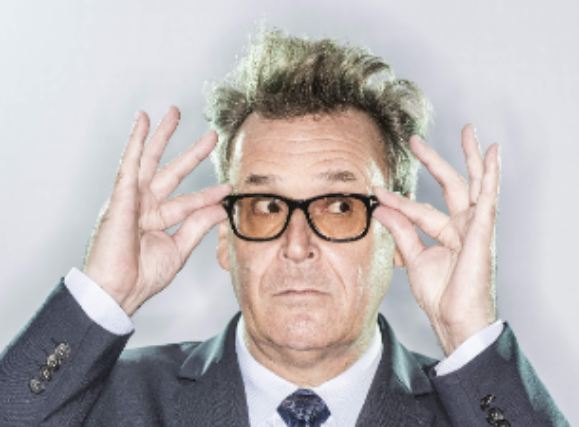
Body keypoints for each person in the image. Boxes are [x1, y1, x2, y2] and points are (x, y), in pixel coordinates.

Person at [0, 28, 568, 426]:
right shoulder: (103, 398)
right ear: (226, 237)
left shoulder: (479, 408)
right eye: (267, 206)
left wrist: (467, 334)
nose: (298, 246)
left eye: (339, 206)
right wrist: (104, 295)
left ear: (398, 235)